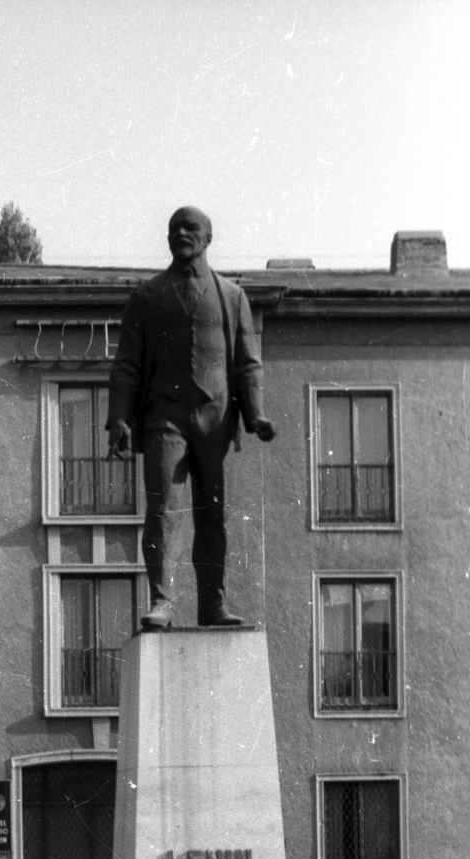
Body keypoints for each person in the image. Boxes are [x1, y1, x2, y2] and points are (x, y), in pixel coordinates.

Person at [106, 206, 277, 630]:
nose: (181, 233)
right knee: (163, 507)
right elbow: (126, 364)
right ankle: (162, 600)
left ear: (208, 238)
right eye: (174, 229)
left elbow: (246, 363)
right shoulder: (146, 297)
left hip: (215, 419)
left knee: (211, 513)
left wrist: (255, 415)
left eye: (190, 228)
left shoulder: (232, 296)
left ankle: (212, 604)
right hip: (165, 416)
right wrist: (119, 419)